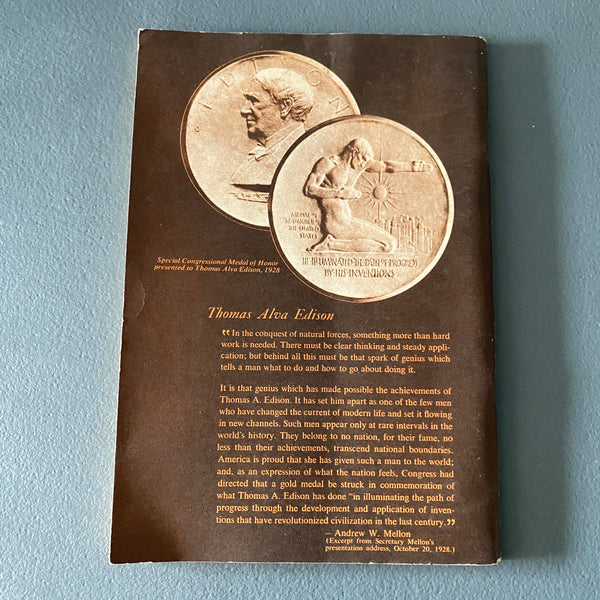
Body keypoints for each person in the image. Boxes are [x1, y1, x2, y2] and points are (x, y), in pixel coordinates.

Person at [304, 138, 429, 252]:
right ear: (354, 152)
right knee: (387, 247)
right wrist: (339, 193)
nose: (363, 163)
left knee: (391, 243)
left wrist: (412, 166)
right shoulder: (328, 163)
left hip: (348, 221)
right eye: (363, 158)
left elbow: (386, 166)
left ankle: (332, 244)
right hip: (336, 224)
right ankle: (331, 245)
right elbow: (309, 189)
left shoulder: (359, 166)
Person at [230, 68, 314, 190]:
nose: (244, 110)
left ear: (285, 106)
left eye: (254, 100)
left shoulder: (303, 156)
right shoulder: (266, 151)